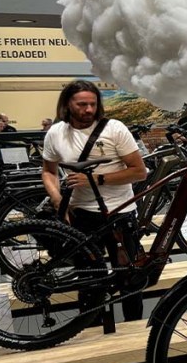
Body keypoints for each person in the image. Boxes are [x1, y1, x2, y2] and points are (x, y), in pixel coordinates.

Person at [40, 80, 148, 321]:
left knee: (130, 280)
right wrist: (58, 200)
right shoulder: (56, 133)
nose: (88, 109)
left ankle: (135, 337)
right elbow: (48, 171)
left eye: (92, 104)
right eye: (81, 104)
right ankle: (90, 334)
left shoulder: (115, 129)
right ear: (67, 104)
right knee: (89, 282)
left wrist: (95, 180)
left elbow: (139, 172)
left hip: (120, 214)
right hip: (81, 217)